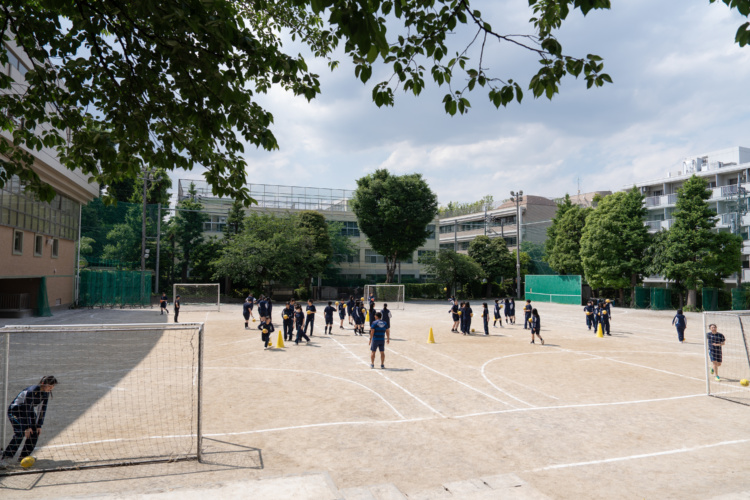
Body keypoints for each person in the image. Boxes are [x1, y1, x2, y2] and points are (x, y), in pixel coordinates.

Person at [1, 376, 58, 468]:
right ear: (43, 384)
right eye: (50, 386)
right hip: (16, 411)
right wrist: (27, 427)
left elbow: (42, 409)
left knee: (35, 432)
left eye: (53, 386)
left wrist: (39, 425)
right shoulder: (31, 391)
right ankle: (5, 458)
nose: (51, 388)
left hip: (28, 412)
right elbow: (25, 408)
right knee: (20, 433)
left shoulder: (46, 393)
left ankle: (23, 456)